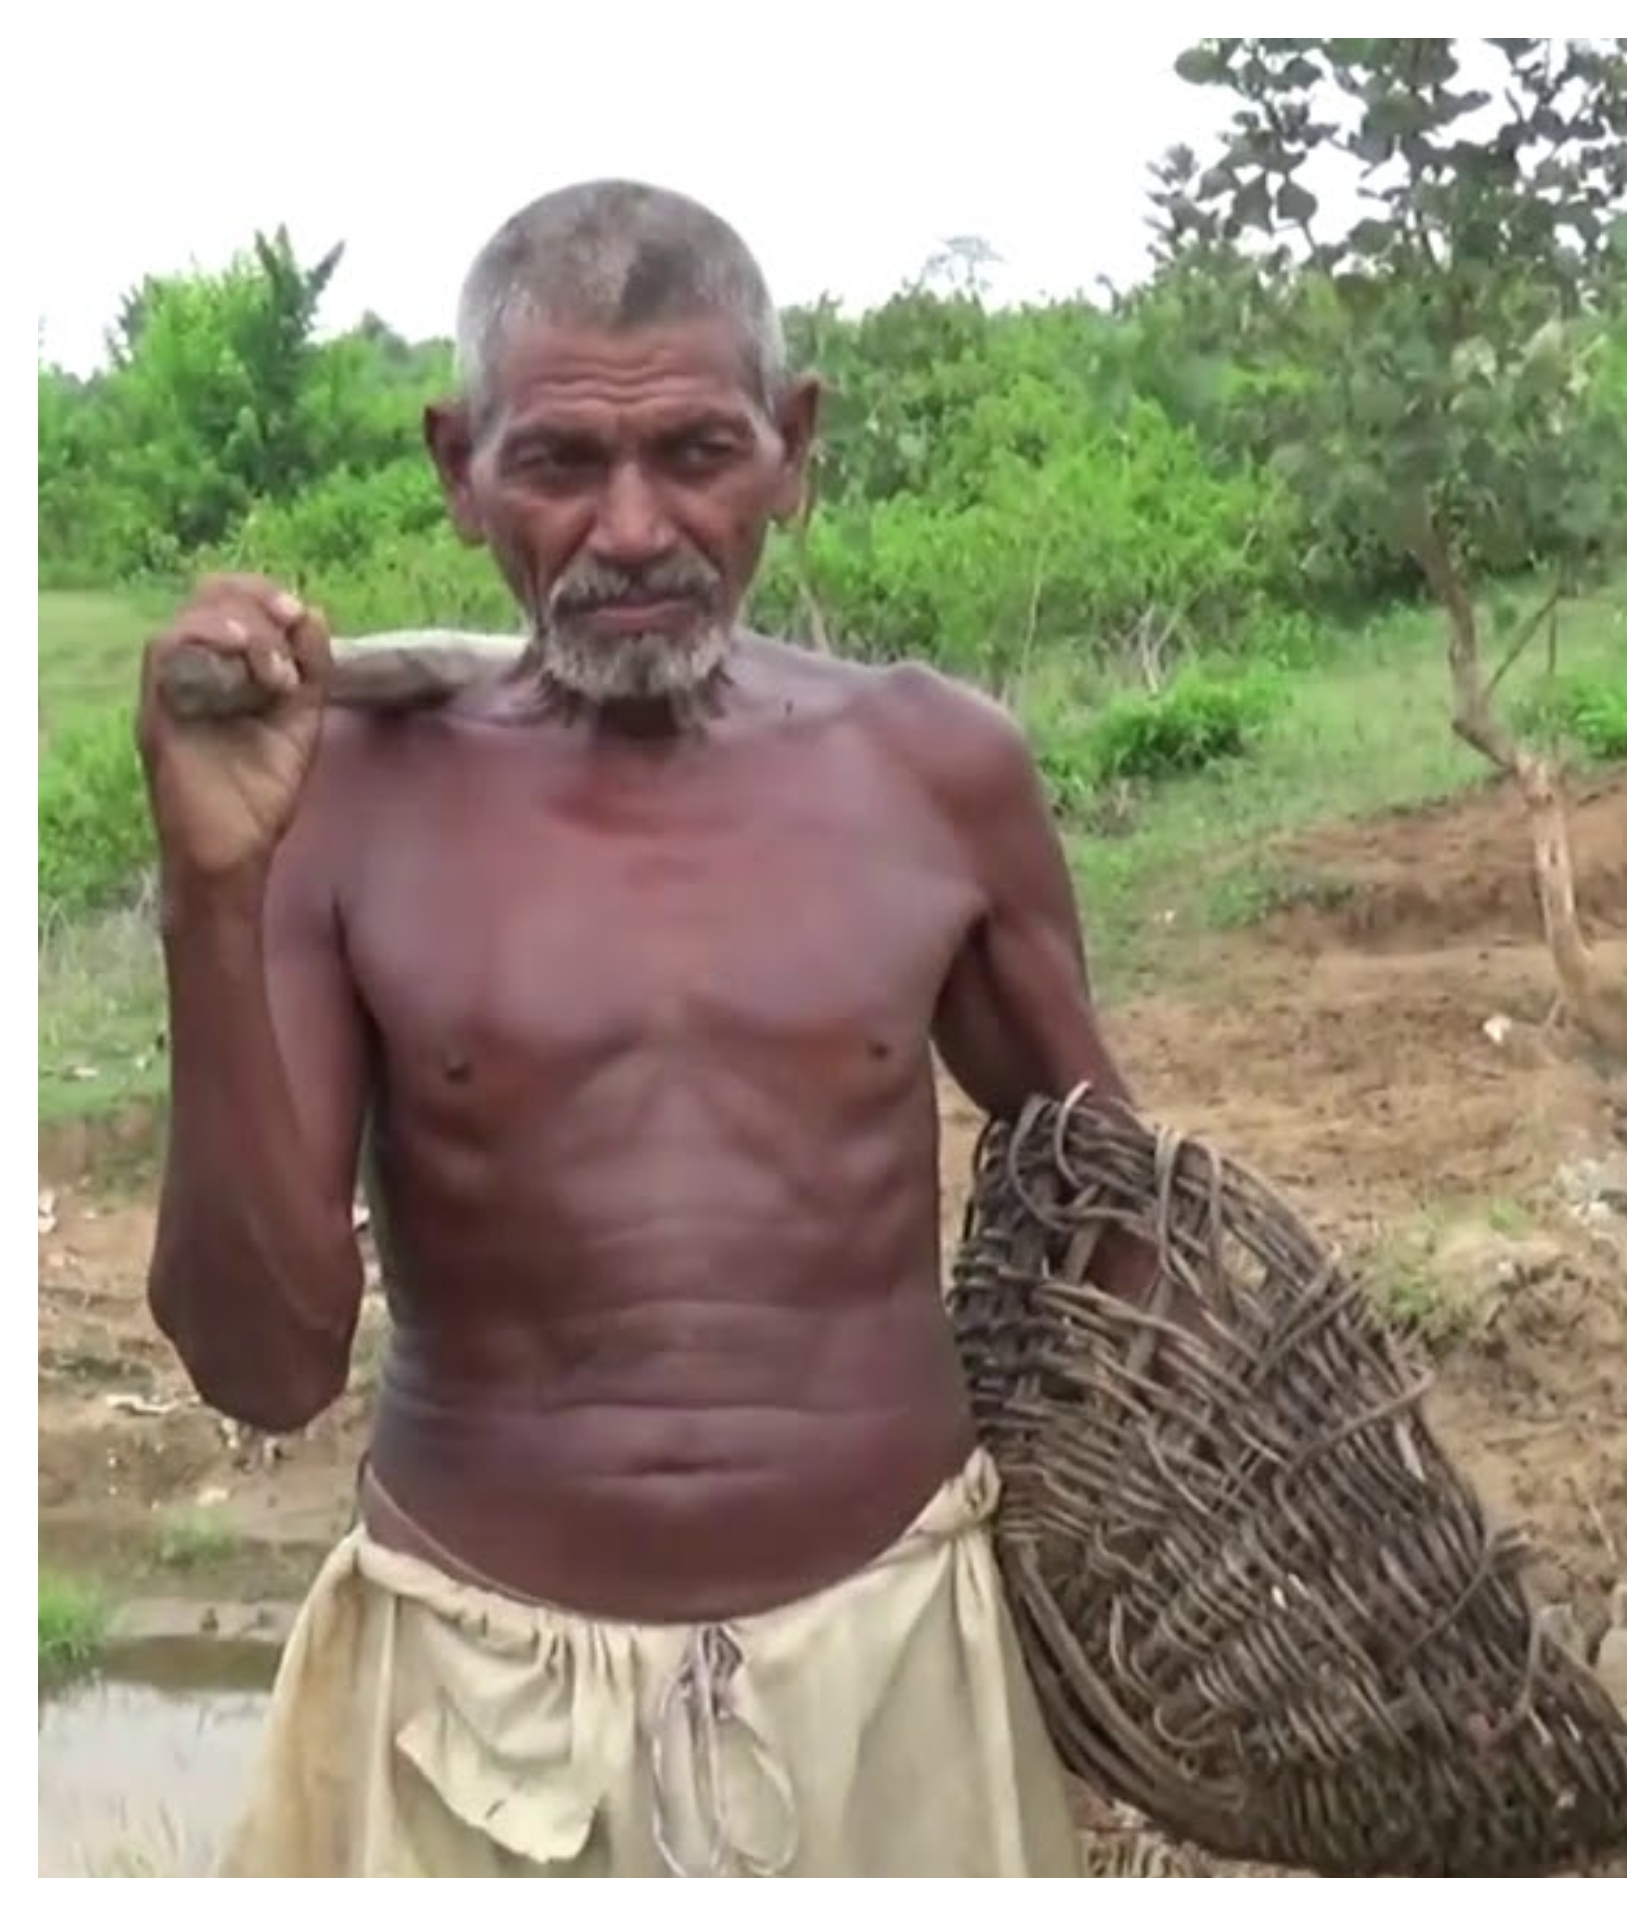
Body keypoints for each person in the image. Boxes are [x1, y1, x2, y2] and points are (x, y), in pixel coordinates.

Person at [138, 178, 1143, 1874]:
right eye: (558, 466)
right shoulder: (348, 805)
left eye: (695, 454)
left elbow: (1127, 1229)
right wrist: (208, 902)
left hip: (895, 1676)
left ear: (793, 444)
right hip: (477, 1701)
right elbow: (264, 1365)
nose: (629, 531)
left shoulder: (934, 771)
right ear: (461, 468)